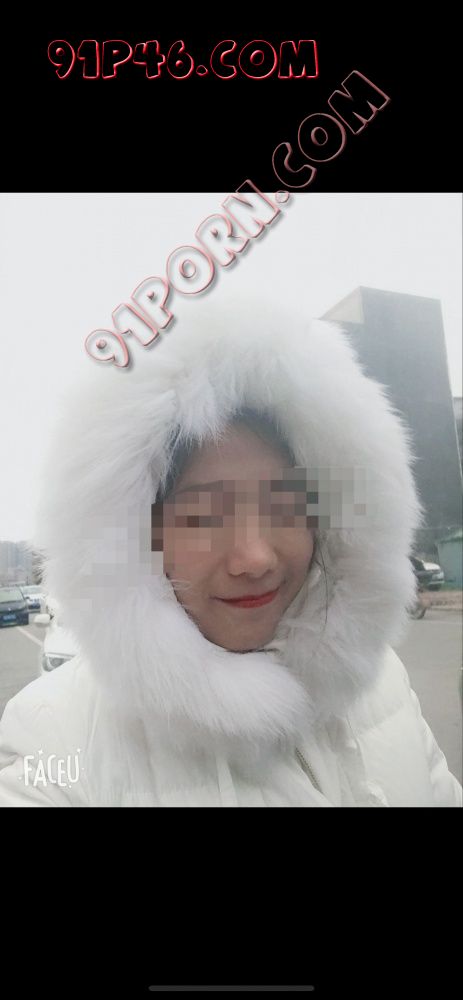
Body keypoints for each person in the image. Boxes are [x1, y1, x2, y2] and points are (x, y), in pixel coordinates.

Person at [0, 296, 461, 806]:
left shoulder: (378, 686)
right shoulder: (53, 738)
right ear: (134, 537)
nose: (255, 558)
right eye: (204, 516)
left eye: (286, 506)